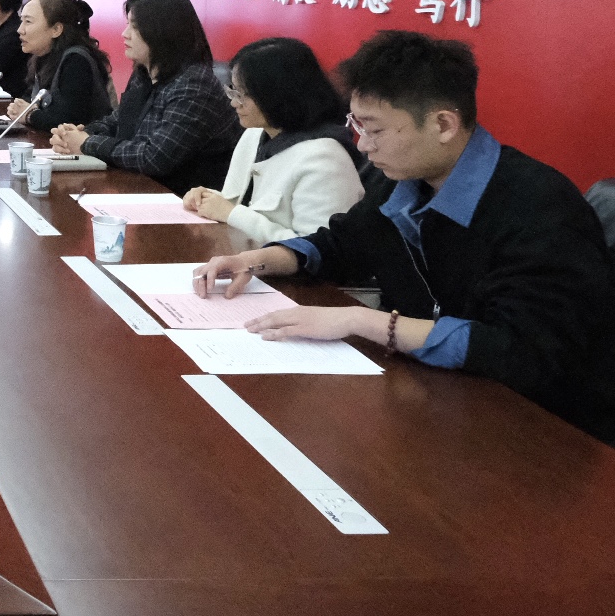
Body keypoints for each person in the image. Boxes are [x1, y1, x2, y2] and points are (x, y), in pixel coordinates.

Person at [194, 31, 615, 445]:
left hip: (543, 428)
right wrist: (260, 260)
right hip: (436, 399)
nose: (363, 146)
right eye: (356, 125)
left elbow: (520, 351)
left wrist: (362, 320)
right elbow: (342, 243)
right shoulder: (403, 181)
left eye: (375, 130)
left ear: (443, 124)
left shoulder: (539, 207)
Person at [50, 0, 239, 194]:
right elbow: (118, 121)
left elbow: (155, 157)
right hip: (140, 190)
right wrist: (77, 135)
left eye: (135, 27)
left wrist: (87, 143)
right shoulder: (143, 73)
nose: (124, 34)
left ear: (163, 32)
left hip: (184, 201)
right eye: (127, 25)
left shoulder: (194, 84)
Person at [181, 37, 363, 243]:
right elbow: (243, 202)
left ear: (277, 95)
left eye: (242, 94)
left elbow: (316, 249)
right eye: (232, 90)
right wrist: (207, 199)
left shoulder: (326, 158)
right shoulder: (255, 134)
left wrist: (231, 213)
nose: (234, 103)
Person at [6, 0, 112, 130]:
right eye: (21, 21)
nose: (20, 30)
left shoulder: (76, 61)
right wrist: (18, 108)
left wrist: (30, 115)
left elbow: (68, 121)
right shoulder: (43, 56)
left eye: (28, 22)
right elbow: (31, 99)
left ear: (56, 29)